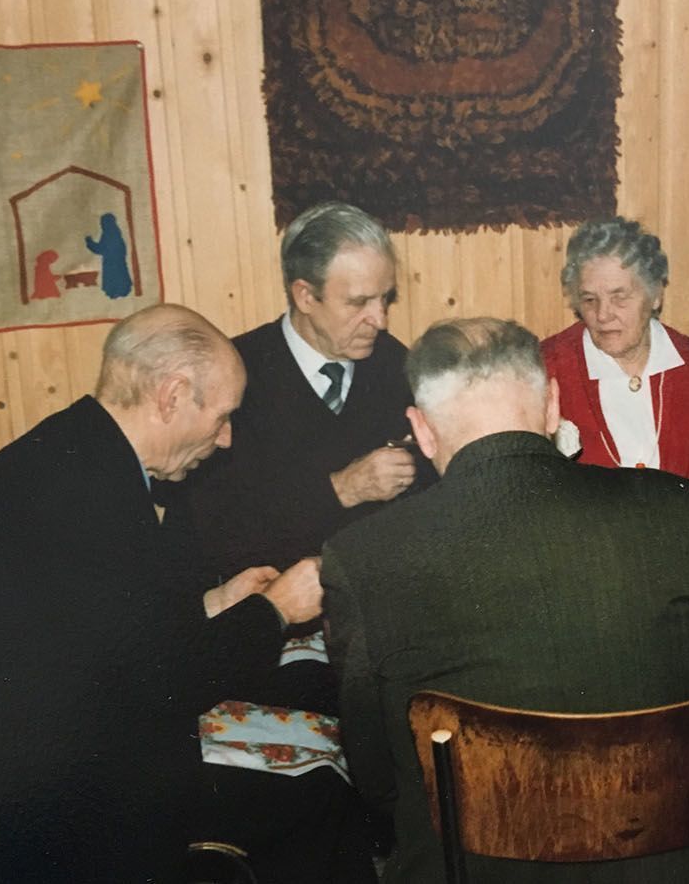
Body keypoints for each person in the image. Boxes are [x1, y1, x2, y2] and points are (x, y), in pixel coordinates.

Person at [323, 317, 689, 883]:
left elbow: (377, 776)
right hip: (680, 864)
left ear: (422, 431)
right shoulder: (669, 506)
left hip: (474, 871)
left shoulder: (363, 556)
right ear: (552, 405)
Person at [0, 304, 322, 883]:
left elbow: (110, 631)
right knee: (321, 808)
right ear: (173, 395)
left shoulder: (73, 451)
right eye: (224, 415)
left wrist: (216, 602)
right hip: (49, 816)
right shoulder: (88, 494)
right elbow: (165, 684)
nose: (227, 439)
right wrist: (275, 611)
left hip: (47, 769)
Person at [166, 202, 427, 881]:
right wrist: (337, 491)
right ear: (303, 295)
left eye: (386, 298)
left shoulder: (395, 368)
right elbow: (215, 538)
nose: (381, 318)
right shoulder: (236, 379)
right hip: (266, 628)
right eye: (360, 301)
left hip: (372, 622)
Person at [541, 217, 689, 502]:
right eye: (589, 300)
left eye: (619, 296)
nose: (602, 314)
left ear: (655, 295)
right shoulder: (548, 365)